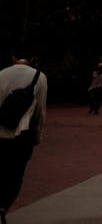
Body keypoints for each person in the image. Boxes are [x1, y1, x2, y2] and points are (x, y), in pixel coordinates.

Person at [0, 51, 49, 224]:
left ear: (13, 58)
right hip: (22, 135)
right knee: (14, 175)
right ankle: (3, 207)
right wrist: (37, 137)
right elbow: (40, 113)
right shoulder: (40, 78)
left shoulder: (1, 74)